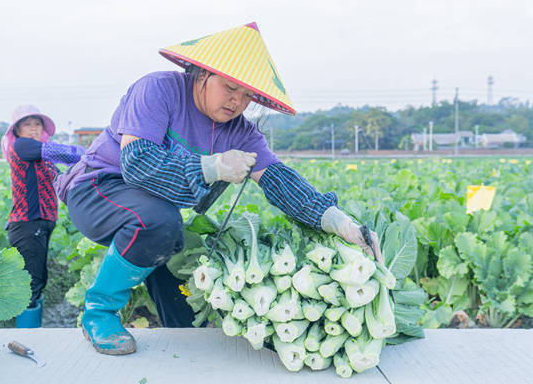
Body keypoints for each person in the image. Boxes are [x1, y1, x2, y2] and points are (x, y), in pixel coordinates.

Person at [60, 22, 382, 355]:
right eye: (230, 87)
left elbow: (281, 182)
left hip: (152, 211)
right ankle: (99, 313)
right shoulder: (158, 89)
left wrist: (338, 222)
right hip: (97, 187)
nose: (238, 101)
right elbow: (137, 164)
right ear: (202, 74)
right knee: (161, 222)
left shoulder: (240, 132)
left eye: (247, 95)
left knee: (176, 263)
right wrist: (211, 166)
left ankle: (182, 345)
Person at [2, 105, 85, 328]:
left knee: (38, 279)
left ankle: (31, 332)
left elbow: (63, 179)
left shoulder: (42, 157)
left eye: (37, 124)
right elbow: (64, 153)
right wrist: (89, 154)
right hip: (27, 224)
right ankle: (26, 336)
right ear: (17, 130)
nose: (33, 129)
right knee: (31, 283)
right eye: (27, 124)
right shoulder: (22, 146)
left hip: (41, 224)